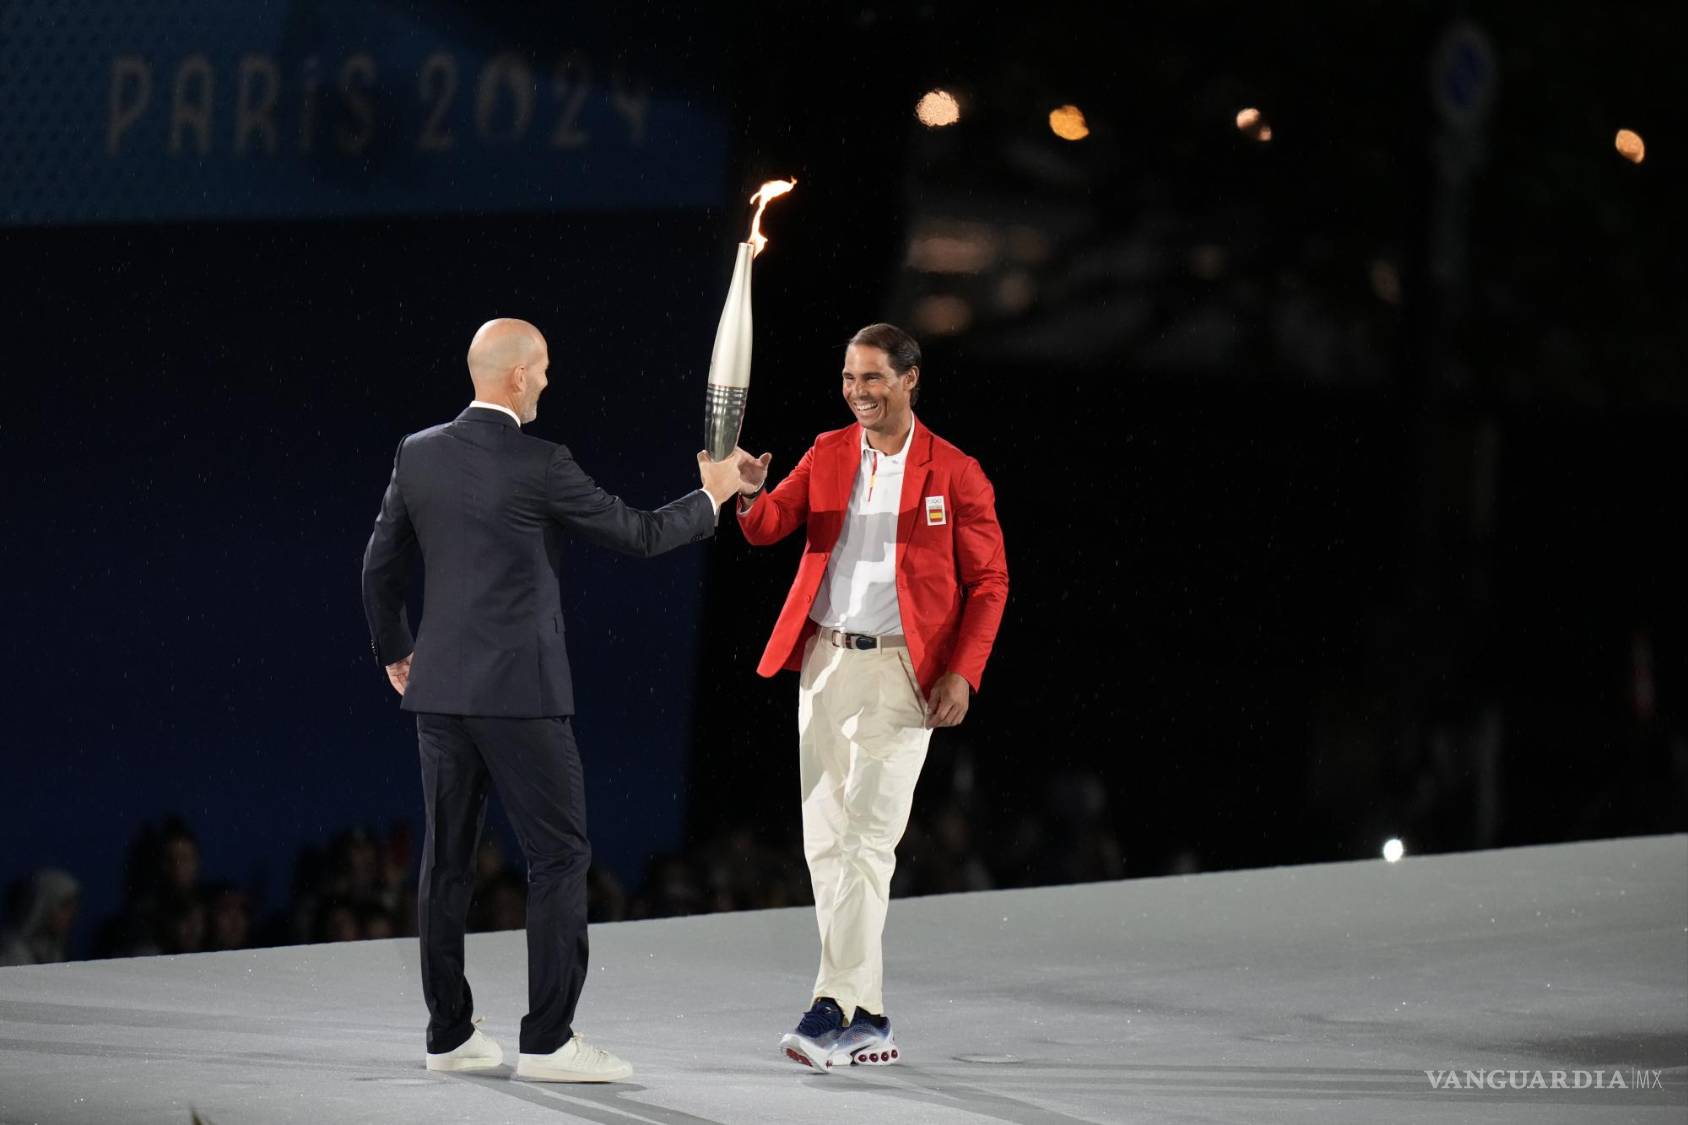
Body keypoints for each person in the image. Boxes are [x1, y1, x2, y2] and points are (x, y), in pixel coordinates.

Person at [361, 317, 746, 1082]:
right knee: (560, 856)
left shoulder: (418, 452)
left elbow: (378, 570)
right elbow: (637, 534)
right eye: (540, 370)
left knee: (446, 862)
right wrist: (712, 497)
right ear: (514, 377)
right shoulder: (541, 463)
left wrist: (398, 652)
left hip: (438, 693)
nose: (545, 381)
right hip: (521, 696)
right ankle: (549, 1041)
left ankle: (448, 1034)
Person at [732, 322, 1008, 1071]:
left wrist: (963, 672)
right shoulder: (827, 453)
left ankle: (831, 1006)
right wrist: (751, 493)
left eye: (873, 378)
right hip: (824, 661)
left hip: (904, 676)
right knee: (826, 843)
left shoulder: (955, 472)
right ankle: (872, 1015)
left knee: (867, 840)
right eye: (850, 378)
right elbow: (768, 527)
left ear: (910, 378)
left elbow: (990, 583)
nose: (858, 391)